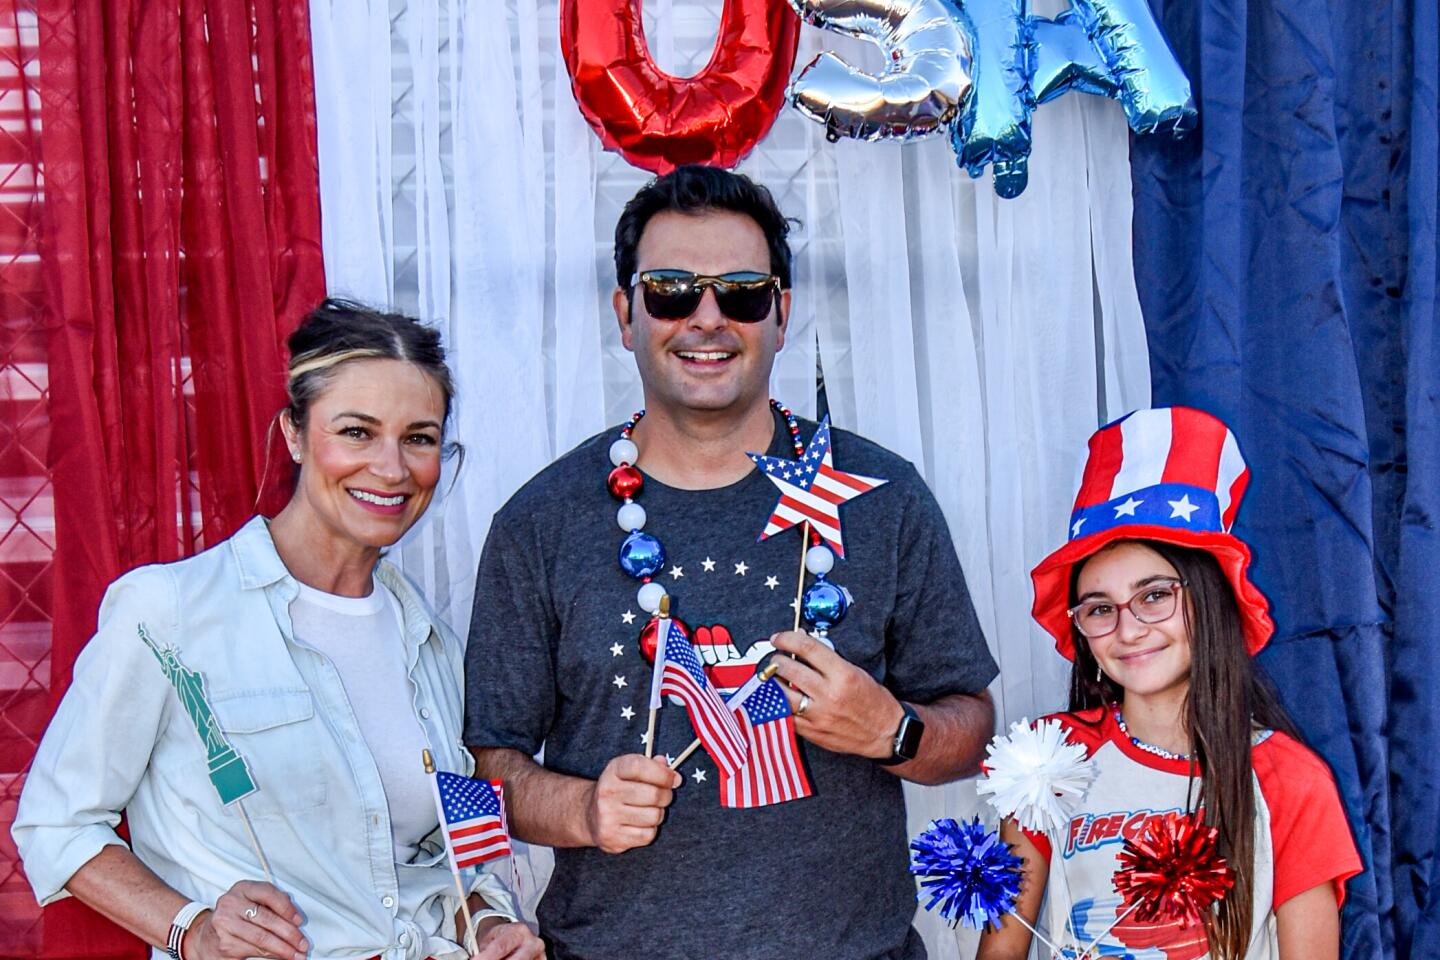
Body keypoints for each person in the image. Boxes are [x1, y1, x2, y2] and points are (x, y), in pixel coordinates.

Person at [465, 165, 998, 959]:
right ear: (626, 314)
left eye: (742, 291)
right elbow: (487, 771)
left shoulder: (883, 497)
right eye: (672, 291)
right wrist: (583, 811)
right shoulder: (540, 522)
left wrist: (894, 730)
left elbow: (975, 726)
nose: (706, 318)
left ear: (780, 314)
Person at [14, 300, 542, 960]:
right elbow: (55, 824)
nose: (391, 467)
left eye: (419, 437)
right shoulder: (168, 613)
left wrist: (487, 927)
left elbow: (449, 861)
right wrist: (192, 929)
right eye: (356, 431)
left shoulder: (431, 643)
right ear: (294, 432)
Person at [978, 406, 1363, 960]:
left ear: (1209, 601)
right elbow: (1001, 950)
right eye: (1100, 608)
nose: (1129, 629)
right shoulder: (1045, 757)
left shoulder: (1291, 779)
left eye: (1155, 595)